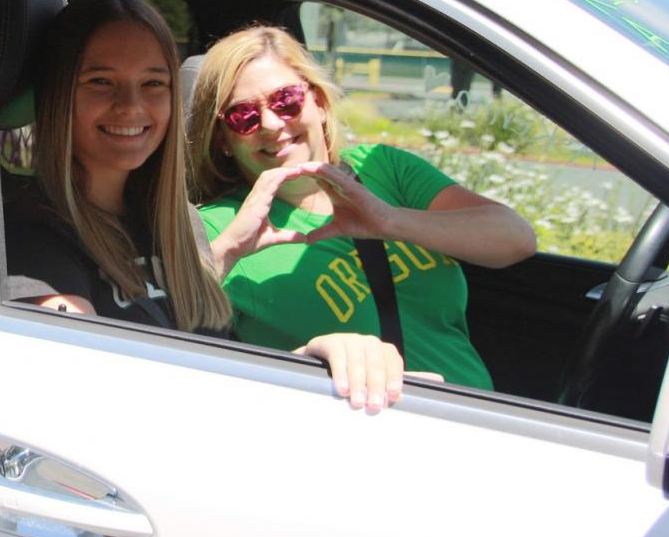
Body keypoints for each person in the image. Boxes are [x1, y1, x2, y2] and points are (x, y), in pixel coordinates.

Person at [5, 0, 406, 412]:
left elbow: (212, 371)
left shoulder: (177, 224)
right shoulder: (34, 236)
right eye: (100, 82)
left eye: (154, 83)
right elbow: (90, 399)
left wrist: (311, 361)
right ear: (58, 94)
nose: (132, 105)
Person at [188, 25, 536, 390]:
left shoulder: (382, 168)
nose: (273, 124)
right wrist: (308, 352)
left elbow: (516, 239)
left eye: (285, 100)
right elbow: (159, 331)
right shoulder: (221, 226)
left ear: (319, 103)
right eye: (242, 117)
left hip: (480, 414)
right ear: (223, 140)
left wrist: (389, 221)